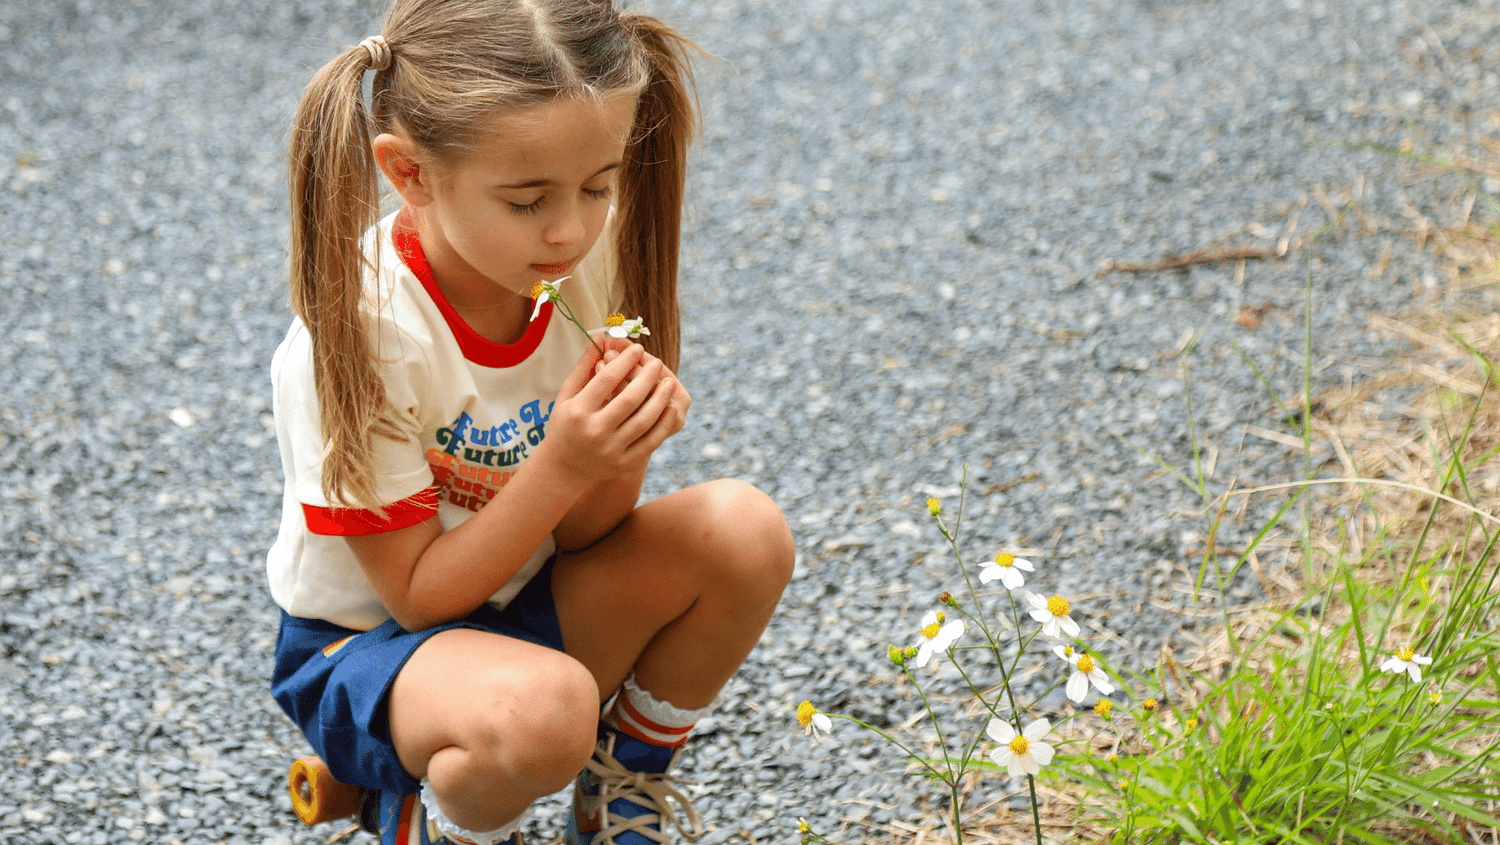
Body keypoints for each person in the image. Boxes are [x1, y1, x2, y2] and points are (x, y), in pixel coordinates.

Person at [264, 2, 795, 844]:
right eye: (526, 199)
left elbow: (586, 535)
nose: (571, 228)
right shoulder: (364, 333)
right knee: (546, 710)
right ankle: (449, 816)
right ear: (410, 173)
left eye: (599, 185)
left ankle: (620, 781)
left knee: (745, 533)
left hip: (523, 604)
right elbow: (418, 595)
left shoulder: (576, 258)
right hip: (369, 652)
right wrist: (565, 463)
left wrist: (618, 447)